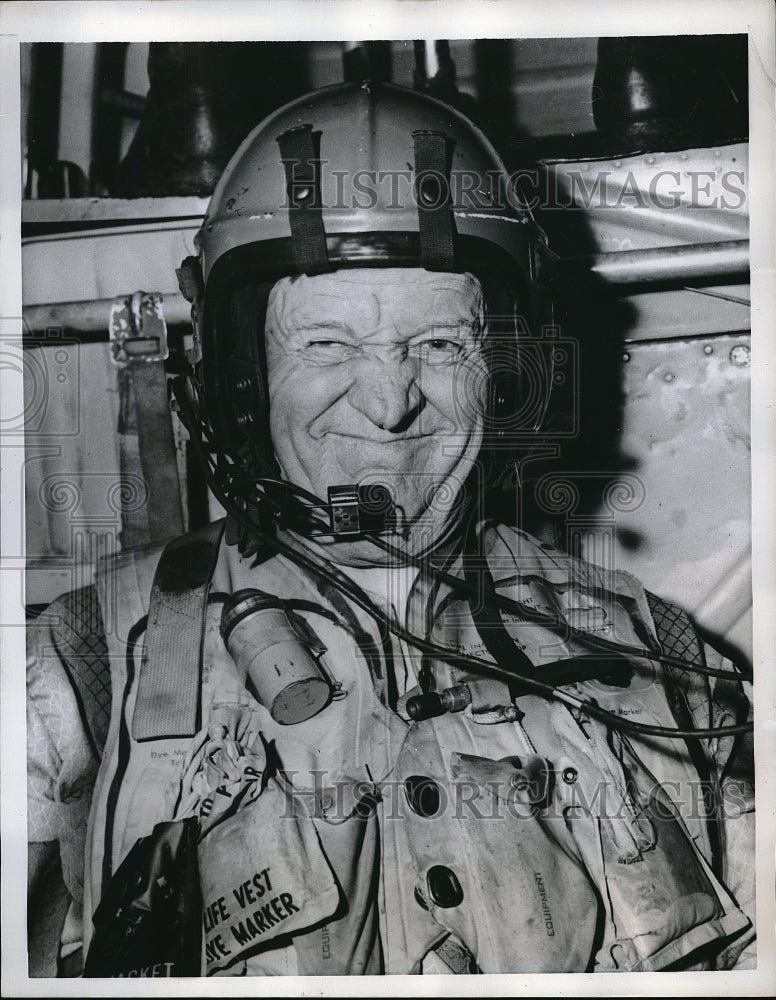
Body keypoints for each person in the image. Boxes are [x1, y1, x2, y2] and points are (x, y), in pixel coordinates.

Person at [27, 81, 755, 978]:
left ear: (504, 373)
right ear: (240, 378)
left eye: (440, 345)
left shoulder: (662, 658)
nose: (389, 402)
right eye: (326, 345)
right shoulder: (79, 671)